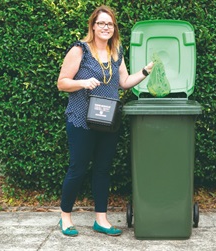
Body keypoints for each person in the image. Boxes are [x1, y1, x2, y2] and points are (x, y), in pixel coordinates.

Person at [56, 5, 153, 237]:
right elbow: (62, 82)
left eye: (109, 24)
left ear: (114, 28)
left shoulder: (116, 52)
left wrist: (146, 72)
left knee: (102, 169)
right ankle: (65, 217)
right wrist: (82, 82)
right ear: (93, 26)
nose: (105, 27)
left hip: (108, 121)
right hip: (81, 118)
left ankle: (101, 219)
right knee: (77, 168)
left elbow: (125, 82)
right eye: (101, 23)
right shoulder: (80, 50)